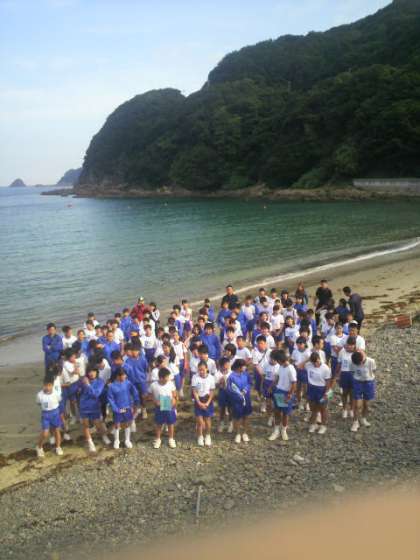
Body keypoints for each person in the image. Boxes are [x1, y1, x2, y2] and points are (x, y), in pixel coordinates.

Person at [79, 366, 111, 452]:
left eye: (93, 371)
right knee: (85, 425)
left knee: (98, 424)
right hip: (84, 406)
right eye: (89, 371)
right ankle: (90, 443)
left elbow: (96, 394)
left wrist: (88, 385)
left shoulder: (100, 381)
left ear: (96, 372)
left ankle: (104, 436)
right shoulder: (83, 380)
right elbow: (77, 390)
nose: (91, 373)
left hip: (94, 406)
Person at [107, 368, 139, 449]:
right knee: (117, 424)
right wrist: (115, 408)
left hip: (127, 407)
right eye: (121, 375)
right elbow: (110, 399)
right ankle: (116, 440)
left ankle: (127, 440)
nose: (123, 377)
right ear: (117, 376)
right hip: (118, 408)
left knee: (127, 423)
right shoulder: (112, 386)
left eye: (124, 375)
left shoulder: (128, 383)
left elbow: (134, 392)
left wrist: (136, 401)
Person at [268, 351, 297, 441]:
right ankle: (276, 431)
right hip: (279, 391)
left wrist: (289, 395)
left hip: (286, 393)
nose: (277, 362)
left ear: (280, 360)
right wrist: (271, 386)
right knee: (277, 411)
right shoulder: (281, 367)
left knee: (285, 413)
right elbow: (277, 377)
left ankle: (284, 430)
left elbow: (294, 383)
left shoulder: (290, 368)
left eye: (277, 360)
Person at [36, 373, 63, 458]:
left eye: (49, 385)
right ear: (43, 385)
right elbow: (38, 403)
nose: (47, 387)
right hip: (46, 415)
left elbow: (59, 401)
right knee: (45, 433)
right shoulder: (40, 395)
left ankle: (58, 447)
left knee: (57, 431)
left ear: (52, 385)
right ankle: (39, 447)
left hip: (55, 413)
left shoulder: (56, 393)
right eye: (45, 385)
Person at [150, 367, 178, 449]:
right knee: (159, 423)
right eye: (167, 377)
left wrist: (174, 402)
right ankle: (158, 439)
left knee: (170, 423)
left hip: (169, 405)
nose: (168, 378)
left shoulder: (171, 384)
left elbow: (174, 394)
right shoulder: (153, 385)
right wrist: (155, 401)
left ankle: (171, 439)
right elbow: (150, 395)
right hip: (159, 406)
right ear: (161, 378)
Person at [226, 359, 252, 444]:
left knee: (246, 416)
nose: (245, 367)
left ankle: (244, 433)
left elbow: (249, 383)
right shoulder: (231, 377)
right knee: (237, 417)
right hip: (236, 400)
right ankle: (237, 433)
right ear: (238, 367)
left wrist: (245, 390)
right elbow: (229, 389)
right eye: (243, 366)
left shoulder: (246, 374)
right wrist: (237, 394)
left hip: (246, 398)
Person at [350, 351, 376, 432]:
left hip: (368, 383)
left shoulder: (371, 361)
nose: (359, 365)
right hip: (357, 383)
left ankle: (363, 418)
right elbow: (352, 371)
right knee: (357, 405)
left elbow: (373, 371)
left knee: (366, 404)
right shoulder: (353, 361)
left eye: (360, 363)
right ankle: (355, 422)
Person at [306, 352, 332, 434]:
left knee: (323, 408)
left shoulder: (325, 368)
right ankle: (313, 424)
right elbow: (299, 366)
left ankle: (323, 426)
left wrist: (326, 393)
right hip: (311, 388)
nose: (316, 364)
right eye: (314, 363)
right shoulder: (308, 365)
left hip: (321, 389)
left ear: (319, 359)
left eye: (317, 362)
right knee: (313, 408)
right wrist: (307, 360)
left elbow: (328, 382)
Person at [192, 361, 216, 447]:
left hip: (207, 400)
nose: (201, 371)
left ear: (206, 369)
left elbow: (212, 391)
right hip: (198, 400)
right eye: (199, 370)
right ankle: (200, 436)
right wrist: (198, 402)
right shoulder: (195, 377)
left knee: (207, 419)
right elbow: (195, 391)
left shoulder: (211, 378)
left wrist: (208, 402)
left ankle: (208, 436)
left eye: (203, 369)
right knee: (200, 421)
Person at [336, 336, 356, 418]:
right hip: (344, 374)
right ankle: (344, 409)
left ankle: (351, 409)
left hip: (353, 374)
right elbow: (339, 363)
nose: (350, 346)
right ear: (346, 344)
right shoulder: (342, 351)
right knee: (344, 393)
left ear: (354, 345)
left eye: (352, 345)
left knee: (352, 393)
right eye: (349, 344)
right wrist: (337, 375)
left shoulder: (356, 353)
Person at [291, 337, 311, 411]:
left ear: (304, 344)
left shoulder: (308, 351)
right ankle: (299, 402)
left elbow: (311, 360)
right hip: (297, 371)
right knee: (298, 388)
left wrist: (303, 364)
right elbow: (292, 361)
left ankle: (306, 403)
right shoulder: (295, 351)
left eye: (301, 344)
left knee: (306, 389)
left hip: (305, 371)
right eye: (298, 344)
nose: (299, 345)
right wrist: (294, 367)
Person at [215, 357, 232, 433]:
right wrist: (220, 382)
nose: (228, 366)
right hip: (222, 393)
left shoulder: (231, 373)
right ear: (221, 366)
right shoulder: (217, 374)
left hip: (230, 393)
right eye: (226, 365)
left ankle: (230, 423)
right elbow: (215, 385)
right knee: (222, 409)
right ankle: (221, 423)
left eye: (228, 364)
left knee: (230, 409)